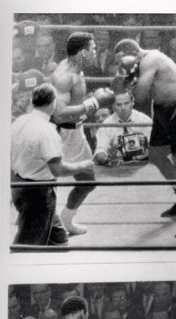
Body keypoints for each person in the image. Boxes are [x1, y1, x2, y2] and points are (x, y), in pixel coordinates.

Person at [112, 38, 176, 237]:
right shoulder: (140, 64)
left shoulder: (151, 60)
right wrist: (128, 78)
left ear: (133, 53)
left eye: (123, 62)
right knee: (156, 155)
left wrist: (128, 81)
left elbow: (139, 96)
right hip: (163, 109)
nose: (121, 66)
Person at [11, 83, 94, 246]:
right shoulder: (47, 130)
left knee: (59, 239)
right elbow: (57, 170)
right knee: (27, 245)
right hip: (38, 193)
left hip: (19, 184)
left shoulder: (19, 121)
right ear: (53, 103)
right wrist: (83, 165)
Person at [51, 32, 115, 235]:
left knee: (87, 182)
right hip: (61, 134)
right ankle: (42, 225)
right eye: (93, 48)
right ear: (82, 52)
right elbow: (60, 115)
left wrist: (91, 100)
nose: (95, 52)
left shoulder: (77, 69)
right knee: (45, 184)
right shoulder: (64, 76)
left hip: (76, 133)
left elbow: (74, 103)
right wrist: (94, 102)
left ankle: (65, 220)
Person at [94, 90, 152, 165]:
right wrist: (107, 159)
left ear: (132, 103)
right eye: (119, 105)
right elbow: (100, 151)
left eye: (126, 103)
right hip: (116, 168)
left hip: (143, 165)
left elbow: (156, 148)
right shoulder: (106, 125)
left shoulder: (145, 121)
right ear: (113, 106)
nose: (123, 108)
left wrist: (143, 149)